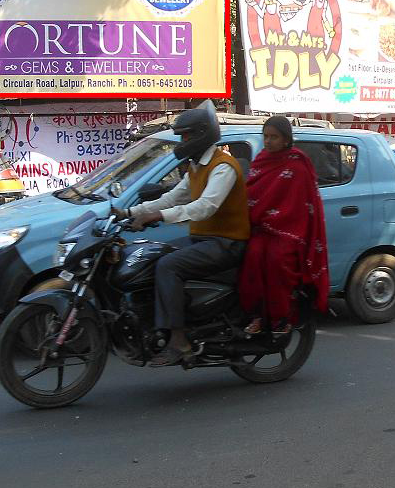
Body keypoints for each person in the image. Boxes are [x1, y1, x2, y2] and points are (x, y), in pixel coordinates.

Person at [120, 102, 249, 366]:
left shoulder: (223, 166)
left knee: (168, 266)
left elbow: (205, 207)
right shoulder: (197, 166)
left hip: (227, 242)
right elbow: (171, 198)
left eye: (186, 135)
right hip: (204, 239)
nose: (183, 141)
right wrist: (129, 212)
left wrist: (158, 217)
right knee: (155, 256)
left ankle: (179, 341)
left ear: (202, 134)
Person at [239, 116, 330, 335]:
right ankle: (257, 316)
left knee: (276, 260)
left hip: (289, 230)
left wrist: (278, 221)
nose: (269, 142)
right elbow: (252, 193)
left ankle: (283, 317)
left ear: (286, 139)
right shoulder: (262, 159)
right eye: (266, 137)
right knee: (251, 257)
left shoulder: (297, 164)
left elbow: (301, 202)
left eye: (274, 137)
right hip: (261, 227)